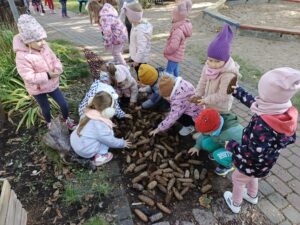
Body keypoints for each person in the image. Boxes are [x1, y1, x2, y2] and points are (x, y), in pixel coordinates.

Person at [223, 68, 299, 214]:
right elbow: (254, 103)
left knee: (238, 179)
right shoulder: (280, 109)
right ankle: (252, 196)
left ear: (269, 97)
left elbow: (252, 153)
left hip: (251, 161)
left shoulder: (263, 127)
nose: (259, 97)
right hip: (264, 163)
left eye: (262, 94)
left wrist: (231, 146)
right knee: (252, 175)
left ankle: (235, 203)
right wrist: (237, 91)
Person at [13, 15, 75, 130]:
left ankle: (67, 119)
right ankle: (49, 123)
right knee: (46, 108)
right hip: (38, 89)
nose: (42, 42)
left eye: (43, 38)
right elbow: (27, 76)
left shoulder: (45, 46)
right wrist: (47, 75)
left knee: (64, 104)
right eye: (38, 40)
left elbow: (54, 59)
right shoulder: (22, 56)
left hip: (52, 84)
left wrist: (58, 68)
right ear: (28, 41)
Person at [71, 92, 132, 166]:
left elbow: (93, 127)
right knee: (105, 138)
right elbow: (110, 141)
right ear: (108, 111)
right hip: (85, 151)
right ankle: (100, 157)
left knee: (98, 134)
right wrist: (122, 143)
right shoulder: (100, 125)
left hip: (74, 141)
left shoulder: (87, 112)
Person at [193, 24, 241, 113]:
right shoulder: (208, 66)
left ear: (225, 59)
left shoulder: (229, 75)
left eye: (217, 61)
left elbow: (223, 95)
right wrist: (198, 94)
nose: (213, 64)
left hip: (220, 108)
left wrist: (206, 100)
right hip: (208, 103)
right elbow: (203, 81)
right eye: (210, 60)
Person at [188, 109, 243, 176]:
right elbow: (203, 135)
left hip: (238, 150)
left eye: (206, 132)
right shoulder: (212, 125)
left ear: (213, 129)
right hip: (223, 142)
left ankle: (229, 165)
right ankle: (219, 153)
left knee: (217, 155)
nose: (204, 133)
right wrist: (197, 146)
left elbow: (246, 148)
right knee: (205, 144)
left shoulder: (234, 132)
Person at [120, 1, 152, 73]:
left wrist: (137, 61)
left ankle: (142, 83)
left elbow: (141, 47)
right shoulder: (135, 25)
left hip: (141, 61)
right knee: (139, 75)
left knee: (141, 76)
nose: (127, 17)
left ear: (132, 17)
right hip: (138, 58)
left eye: (128, 16)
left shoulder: (140, 30)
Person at [164, 0, 192, 77]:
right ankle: (178, 82)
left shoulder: (178, 30)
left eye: (173, 16)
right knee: (175, 69)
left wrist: (166, 50)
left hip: (174, 55)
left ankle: (166, 87)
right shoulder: (181, 25)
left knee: (167, 73)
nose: (172, 18)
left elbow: (173, 46)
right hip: (177, 55)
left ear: (178, 17)